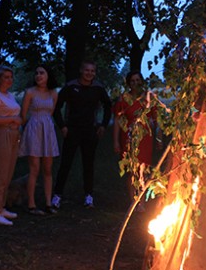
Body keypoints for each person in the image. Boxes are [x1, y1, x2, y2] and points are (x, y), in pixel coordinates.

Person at [52, 60, 111, 208]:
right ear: (81, 70)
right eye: (87, 70)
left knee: (88, 164)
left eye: (92, 71)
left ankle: (89, 196)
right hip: (72, 130)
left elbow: (108, 106)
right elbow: (57, 107)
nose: (89, 73)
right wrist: (62, 126)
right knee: (66, 163)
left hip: (90, 130)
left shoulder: (98, 88)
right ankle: (57, 195)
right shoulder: (71, 87)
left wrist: (103, 125)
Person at [18, 66, 59, 215]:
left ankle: (48, 203)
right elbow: (23, 115)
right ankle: (31, 204)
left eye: (42, 72)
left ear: (48, 75)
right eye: (36, 73)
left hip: (47, 129)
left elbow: (51, 111)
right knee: (34, 168)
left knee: (47, 169)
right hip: (34, 129)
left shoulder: (53, 93)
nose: (38, 75)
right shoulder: (30, 92)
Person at [113, 71, 157, 208]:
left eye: (138, 80)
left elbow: (155, 118)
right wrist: (115, 141)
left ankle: (142, 201)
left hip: (145, 137)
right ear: (128, 83)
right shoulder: (123, 99)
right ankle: (133, 200)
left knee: (143, 168)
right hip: (129, 136)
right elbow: (118, 120)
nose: (135, 83)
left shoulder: (148, 98)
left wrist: (159, 137)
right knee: (132, 169)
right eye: (132, 81)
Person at [0, 64, 21, 226]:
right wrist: (11, 120)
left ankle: (1, 206)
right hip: (1, 135)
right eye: (5, 77)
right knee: (0, 173)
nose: (9, 80)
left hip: (13, 134)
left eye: (10, 77)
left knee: (8, 172)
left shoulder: (9, 96)